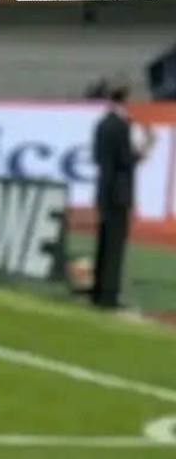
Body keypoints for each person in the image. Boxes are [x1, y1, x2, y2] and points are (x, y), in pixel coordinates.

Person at [91, 85, 152, 309]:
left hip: (103, 189)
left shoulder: (101, 124)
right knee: (115, 244)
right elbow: (126, 160)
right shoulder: (122, 126)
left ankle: (98, 291)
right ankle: (109, 294)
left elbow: (97, 157)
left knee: (103, 241)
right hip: (119, 191)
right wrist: (144, 149)